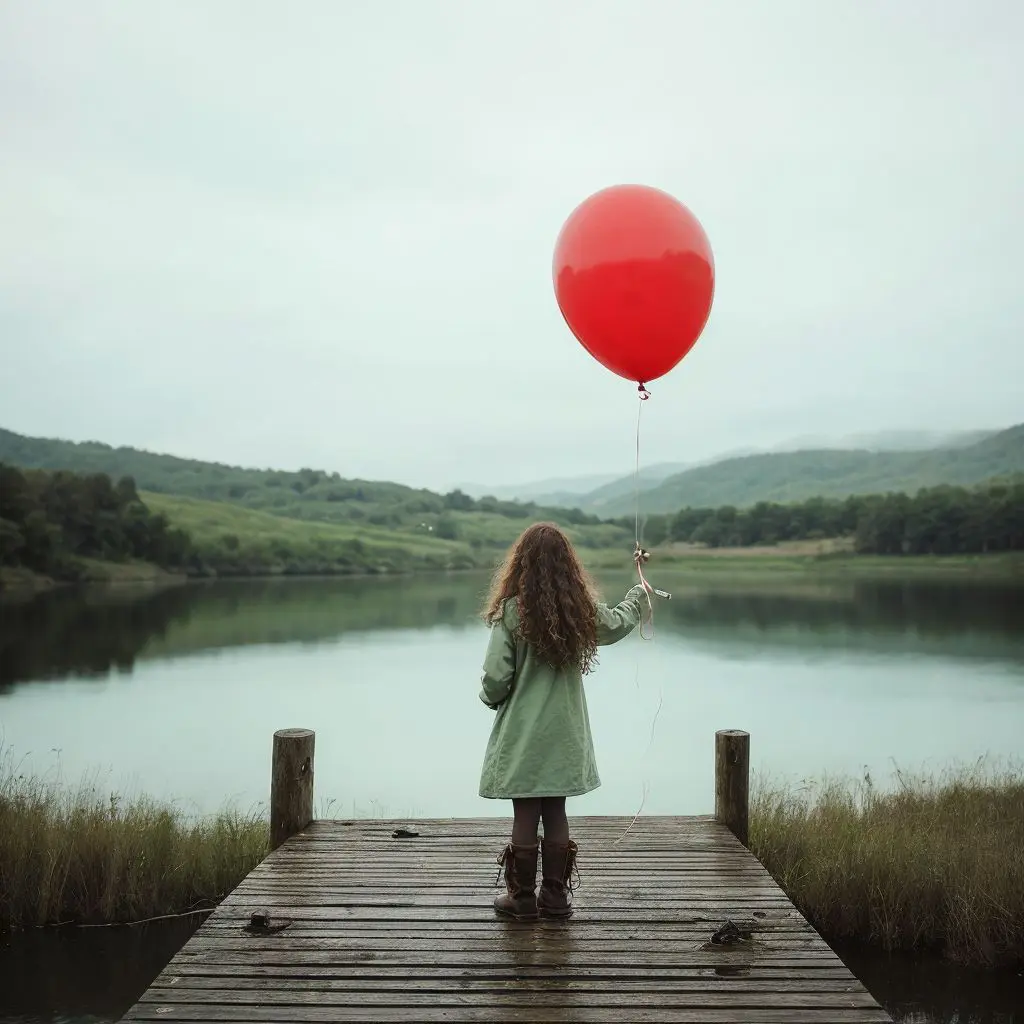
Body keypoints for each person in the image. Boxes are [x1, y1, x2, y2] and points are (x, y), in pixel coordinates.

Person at [477, 521, 649, 920]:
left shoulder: (511, 613)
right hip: (565, 732)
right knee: (555, 810)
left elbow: (495, 677)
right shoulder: (579, 612)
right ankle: (554, 898)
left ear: (521, 564)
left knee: (525, 812)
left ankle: (520, 899)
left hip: (522, 733)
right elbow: (619, 623)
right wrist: (637, 595)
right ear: (567, 565)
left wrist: (490, 698)